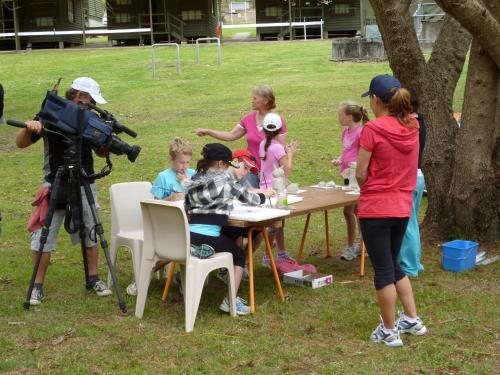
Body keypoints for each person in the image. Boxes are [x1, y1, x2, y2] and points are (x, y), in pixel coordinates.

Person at [16, 77, 112, 305]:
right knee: (44, 236)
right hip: (54, 182)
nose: (92, 105)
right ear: (79, 96)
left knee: (90, 231)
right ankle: (37, 286)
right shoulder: (52, 113)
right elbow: (21, 143)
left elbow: (99, 153)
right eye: (90, 100)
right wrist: (31, 126)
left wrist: (105, 139)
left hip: (85, 180)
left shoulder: (90, 118)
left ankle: (93, 279)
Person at [356, 74, 427, 347]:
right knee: (394, 264)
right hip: (401, 207)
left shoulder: (373, 130)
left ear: (375, 100)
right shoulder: (412, 125)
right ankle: (410, 318)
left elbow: (361, 172)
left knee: (384, 269)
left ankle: (388, 330)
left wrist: (368, 184)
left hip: (376, 208)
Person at [184, 143, 275, 315]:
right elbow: (250, 199)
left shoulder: (194, 179)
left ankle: (219, 271)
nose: (227, 168)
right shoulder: (225, 181)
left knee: (232, 234)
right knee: (239, 255)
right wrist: (265, 195)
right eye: (227, 164)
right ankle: (230, 301)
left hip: (188, 234)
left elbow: (187, 208)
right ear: (220, 164)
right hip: (209, 236)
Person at [195, 85, 288, 187]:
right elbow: (231, 135)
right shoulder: (248, 119)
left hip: (271, 175)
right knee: (245, 194)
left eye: (255, 98)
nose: (251, 101)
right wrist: (208, 131)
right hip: (251, 170)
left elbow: (282, 152)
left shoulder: (276, 122)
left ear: (265, 101)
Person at [331, 101, 369, 261]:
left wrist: (357, 170)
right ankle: (360, 244)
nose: (338, 117)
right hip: (346, 177)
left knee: (351, 211)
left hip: (356, 179)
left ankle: (353, 246)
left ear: (349, 117)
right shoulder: (346, 132)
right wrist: (340, 160)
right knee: (355, 211)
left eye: (340, 115)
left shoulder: (361, 132)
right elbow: (346, 150)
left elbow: (362, 154)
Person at [259, 113, 298, 265]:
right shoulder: (277, 148)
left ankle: (281, 253)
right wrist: (290, 154)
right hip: (276, 190)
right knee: (274, 225)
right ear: (279, 129)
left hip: (265, 188)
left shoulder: (263, 144)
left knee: (279, 223)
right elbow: (286, 171)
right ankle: (268, 256)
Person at [398, 87, 426, 277]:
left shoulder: (411, 124)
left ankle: (409, 266)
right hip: (418, 177)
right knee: (412, 222)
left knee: (407, 224)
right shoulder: (419, 121)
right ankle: (414, 261)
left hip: (410, 178)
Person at [150, 137, 195, 202]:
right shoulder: (163, 177)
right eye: (182, 162)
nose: (185, 166)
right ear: (171, 158)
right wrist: (171, 199)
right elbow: (155, 205)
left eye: (188, 162)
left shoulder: (193, 173)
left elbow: (201, 195)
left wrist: (186, 181)